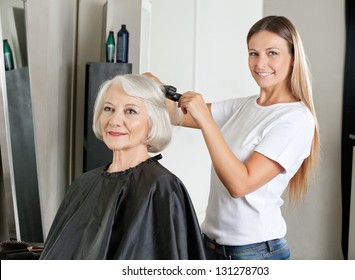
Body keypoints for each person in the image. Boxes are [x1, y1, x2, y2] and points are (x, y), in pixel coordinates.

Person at [146, 15, 319, 260]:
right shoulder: (244, 106)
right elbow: (178, 117)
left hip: (254, 252)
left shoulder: (296, 120)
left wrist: (206, 120)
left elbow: (239, 184)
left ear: (292, 58)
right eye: (253, 53)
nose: (260, 63)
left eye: (272, 53)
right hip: (211, 244)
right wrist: (158, 89)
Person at [39, 74, 205, 260]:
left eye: (130, 111)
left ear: (152, 122)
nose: (115, 120)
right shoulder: (84, 184)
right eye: (108, 109)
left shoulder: (161, 188)